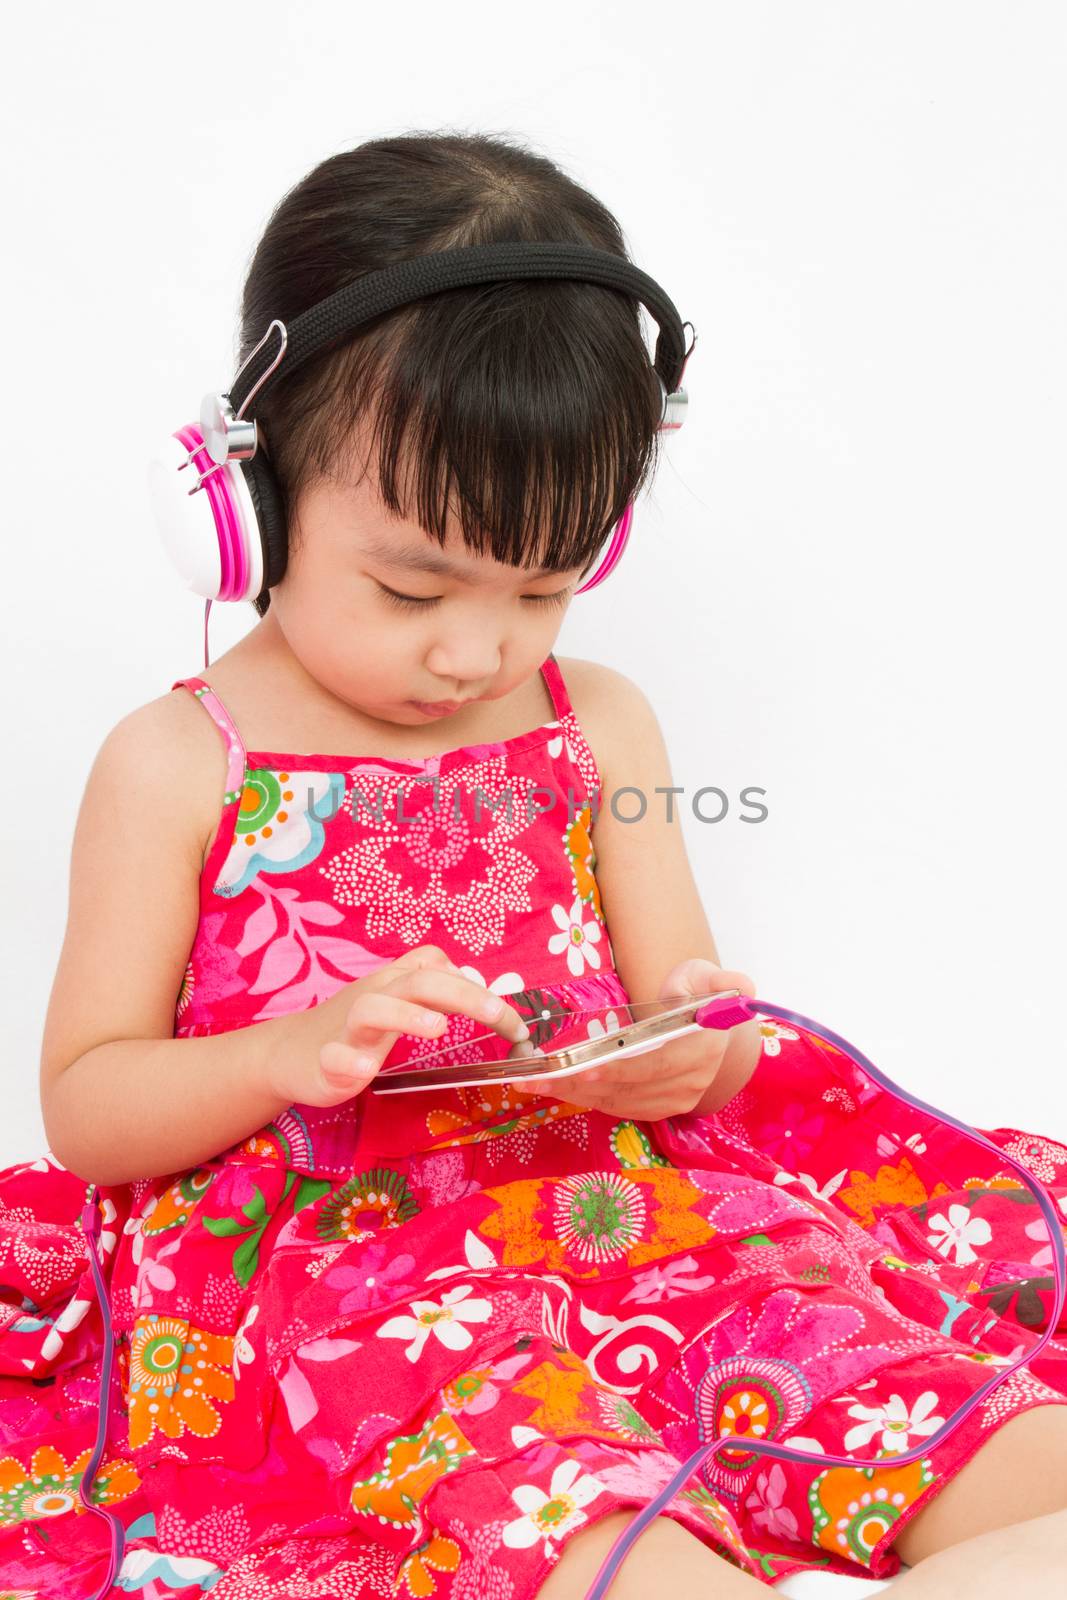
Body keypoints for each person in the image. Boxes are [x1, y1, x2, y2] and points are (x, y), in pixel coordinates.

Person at [4, 131, 1066, 1600]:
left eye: (543, 588)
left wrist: (681, 1056)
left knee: (865, 1370)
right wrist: (293, 1053)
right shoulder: (182, 761)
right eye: (410, 584)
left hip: (617, 1212)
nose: (476, 651)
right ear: (244, 501)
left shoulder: (599, 724)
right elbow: (88, 1110)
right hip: (339, 1279)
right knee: (523, 1462)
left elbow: (696, 1030)